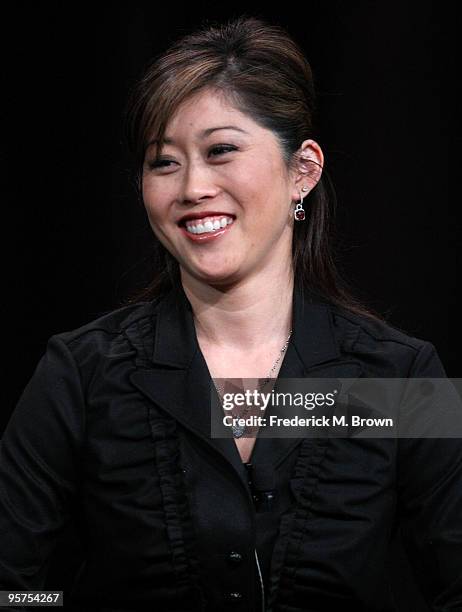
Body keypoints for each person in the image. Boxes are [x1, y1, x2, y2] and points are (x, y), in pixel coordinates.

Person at [1, 15, 461, 612]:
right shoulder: (81, 374)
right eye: (164, 162)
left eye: (221, 151)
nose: (193, 186)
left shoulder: (400, 378)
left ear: (304, 170)